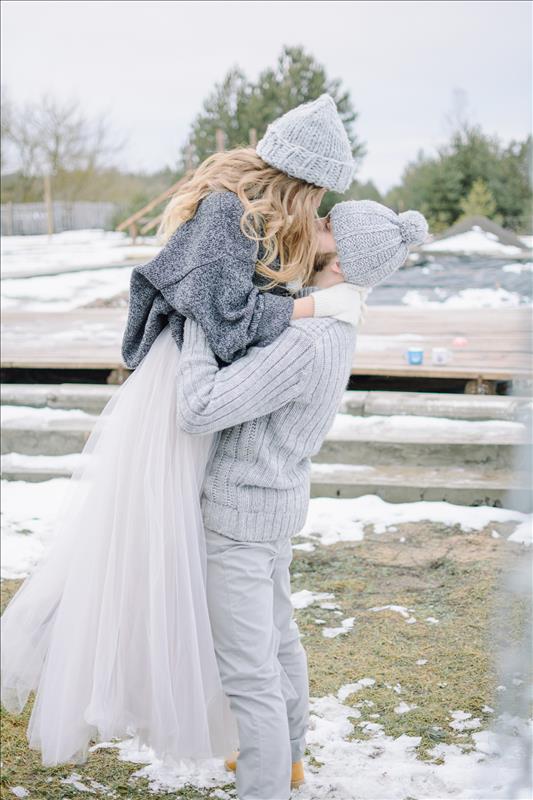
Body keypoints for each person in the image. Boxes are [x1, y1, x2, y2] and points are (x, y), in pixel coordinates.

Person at [174, 199, 428, 800]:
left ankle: (265, 787)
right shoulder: (334, 326)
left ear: (339, 263)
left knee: (249, 672)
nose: (311, 225)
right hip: (272, 506)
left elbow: (199, 408)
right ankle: (287, 761)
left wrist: (199, 320)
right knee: (279, 640)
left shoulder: (306, 342)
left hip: (240, 517)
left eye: (325, 225)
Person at [121, 93, 359, 371]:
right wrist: (319, 305)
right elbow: (230, 325)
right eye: (320, 193)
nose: (318, 205)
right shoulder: (226, 212)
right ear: (301, 185)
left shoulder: (267, 220)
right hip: (182, 371)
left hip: (214, 370)